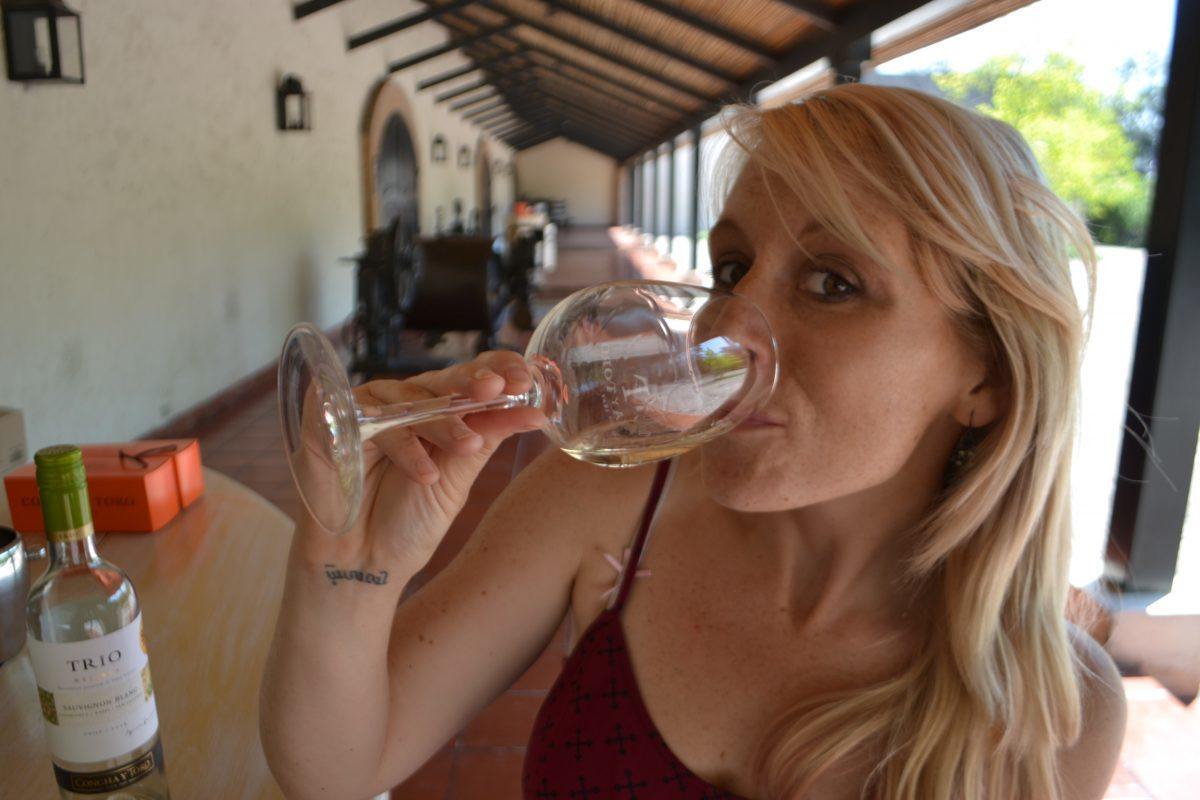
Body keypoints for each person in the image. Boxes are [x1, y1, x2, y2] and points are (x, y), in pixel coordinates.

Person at [259, 84, 1126, 800]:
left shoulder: (1057, 714)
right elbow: (338, 770)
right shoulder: (607, 506)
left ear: (988, 380)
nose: (727, 331)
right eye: (733, 268)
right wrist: (350, 559)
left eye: (833, 282)